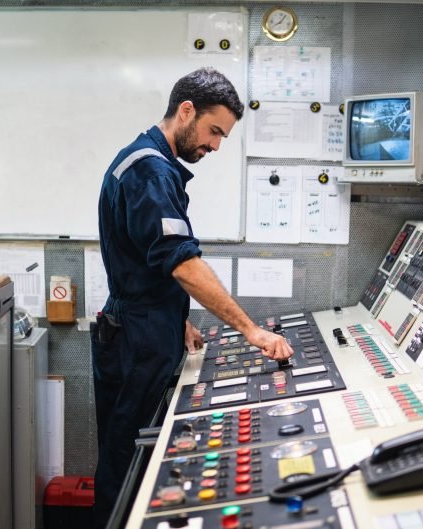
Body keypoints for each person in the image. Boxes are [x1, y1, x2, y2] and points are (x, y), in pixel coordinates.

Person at [92, 67, 294, 527]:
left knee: (133, 454)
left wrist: (174, 315)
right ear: (186, 111)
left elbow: (145, 260)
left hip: (144, 326)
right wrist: (251, 330)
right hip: (136, 341)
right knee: (127, 463)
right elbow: (181, 262)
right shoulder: (148, 170)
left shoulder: (150, 163)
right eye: (214, 131)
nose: (216, 145)